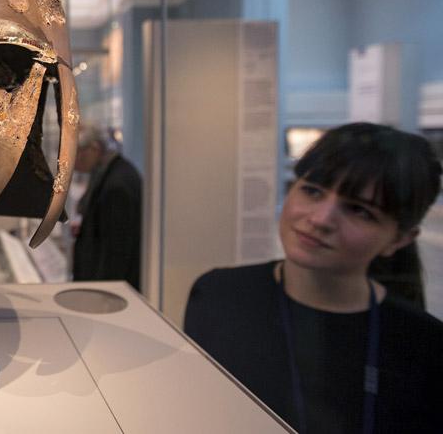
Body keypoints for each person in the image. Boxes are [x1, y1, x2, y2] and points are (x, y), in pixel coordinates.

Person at [184, 122, 443, 433]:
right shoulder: (217, 295)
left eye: (359, 211)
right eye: (312, 190)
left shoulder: (424, 345)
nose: (320, 219)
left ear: (399, 239)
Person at [71, 124, 143, 288]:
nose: (72, 162)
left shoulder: (117, 185)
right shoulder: (111, 173)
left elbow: (116, 255)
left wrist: (101, 295)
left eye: (76, 154)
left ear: (94, 149)